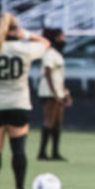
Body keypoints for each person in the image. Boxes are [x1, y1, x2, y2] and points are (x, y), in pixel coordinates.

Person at [0, 13, 50, 189]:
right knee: (18, 148)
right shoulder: (24, 49)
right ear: (15, 30)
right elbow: (46, 43)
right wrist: (26, 35)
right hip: (19, 103)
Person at [37, 27, 72, 161]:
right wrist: (55, 93)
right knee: (49, 122)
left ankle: (55, 152)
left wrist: (65, 92)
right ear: (56, 38)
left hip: (58, 92)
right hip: (49, 92)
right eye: (62, 36)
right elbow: (48, 73)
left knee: (57, 123)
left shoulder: (57, 54)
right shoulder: (49, 53)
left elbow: (59, 77)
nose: (64, 39)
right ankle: (42, 152)